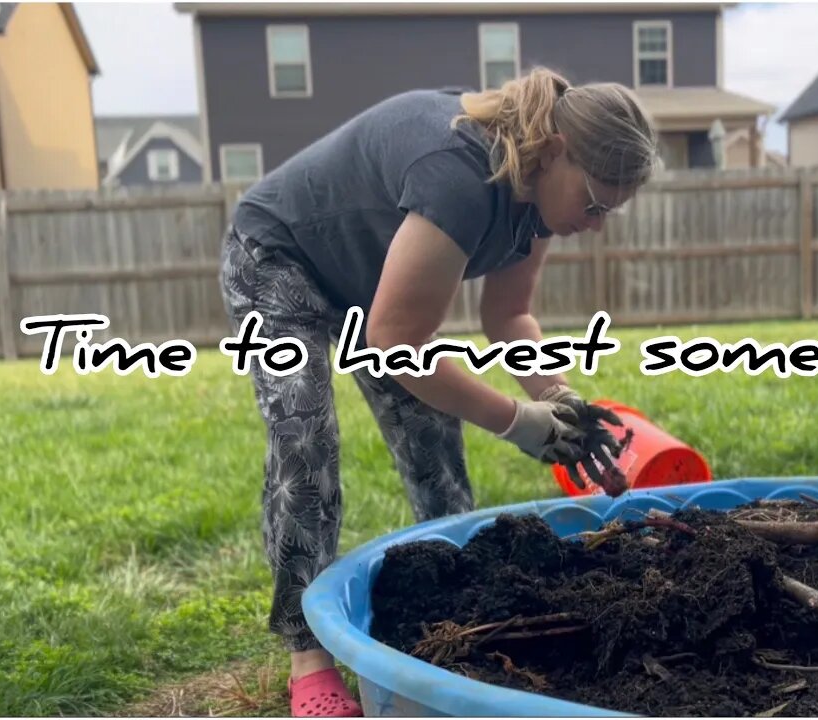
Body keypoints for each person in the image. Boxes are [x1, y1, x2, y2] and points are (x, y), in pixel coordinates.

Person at [217, 66, 659, 717]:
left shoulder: (533, 196)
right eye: (594, 204)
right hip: (278, 254)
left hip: (370, 286)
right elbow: (395, 344)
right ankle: (306, 653)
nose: (595, 225)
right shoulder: (461, 172)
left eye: (609, 213)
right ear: (558, 151)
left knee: (434, 439)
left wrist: (558, 398)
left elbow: (508, 317)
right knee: (305, 444)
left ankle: (455, 596)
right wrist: (516, 421)